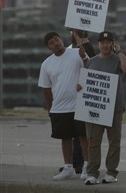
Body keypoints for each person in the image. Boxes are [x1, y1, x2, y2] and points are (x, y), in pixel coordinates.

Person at [83, 31, 126, 185]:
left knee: (114, 141)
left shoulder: (117, 60)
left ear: (113, 43)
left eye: (108, 42)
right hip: (95, 108)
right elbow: (85, 82)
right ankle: (92, 173)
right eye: (102, 42)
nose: (105, 45)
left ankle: (111, 172)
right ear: (98, 44)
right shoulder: (91, 61)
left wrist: (119, 52)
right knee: (93, 141)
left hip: (115, 108)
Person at [38, 32, 89, 181]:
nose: (56, 43)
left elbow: (89, 69)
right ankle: (68, 168)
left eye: (57, 40)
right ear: (49, 47)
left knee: (83, 137)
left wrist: (84, 57)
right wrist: (50, 108)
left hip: (79, 104)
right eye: (51, 43)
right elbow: (46, 88)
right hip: (59, 107)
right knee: (65, 138)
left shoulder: (77, 53)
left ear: (61, 39)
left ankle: (87, 166)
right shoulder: (46, 64)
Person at [66, 29, 96, 174]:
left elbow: (90, 71)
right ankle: (77, 162)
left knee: (81, 135)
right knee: (78, 134)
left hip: (82, 97)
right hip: (78, 97)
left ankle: (81, 163)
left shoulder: (86, 49)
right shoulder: (78, 49)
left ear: (74, 34)